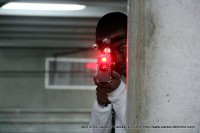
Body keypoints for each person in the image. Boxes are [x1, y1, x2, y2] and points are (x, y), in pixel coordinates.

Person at [89, 12, 127, 133]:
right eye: (108, 52)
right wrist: (102, 105)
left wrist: (117, 92)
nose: (119, 59)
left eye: (124, 48)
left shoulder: (153, 77)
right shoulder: (116, 81)